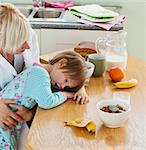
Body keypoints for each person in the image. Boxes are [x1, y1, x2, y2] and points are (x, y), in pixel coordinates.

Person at [0, 51, 87, 149]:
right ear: (61, 63)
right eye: (66, 80)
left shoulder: (41, 72)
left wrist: (80, 89)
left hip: (9, 124)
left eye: (66, 86)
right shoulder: (40, 74)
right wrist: (65, 94)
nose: (62, 86)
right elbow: (47, 102)